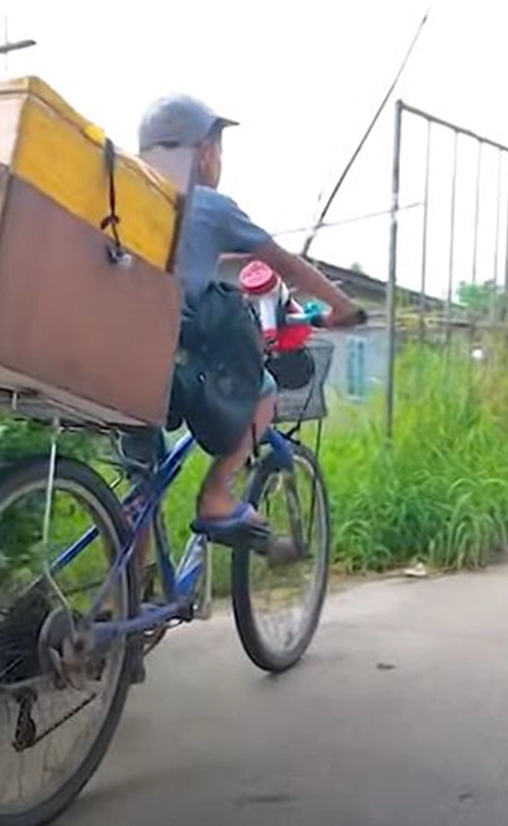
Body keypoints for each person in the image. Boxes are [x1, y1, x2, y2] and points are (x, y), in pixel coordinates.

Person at [123, 93, 363, 546]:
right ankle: (217, 495)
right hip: (171, 356)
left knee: (142, 479)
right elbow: (286, 264)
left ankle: (124, 595)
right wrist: (342, 307)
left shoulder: (126, 194)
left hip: (115, 349)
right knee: (264, 389)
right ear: (205, 152)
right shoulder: (210, 204)